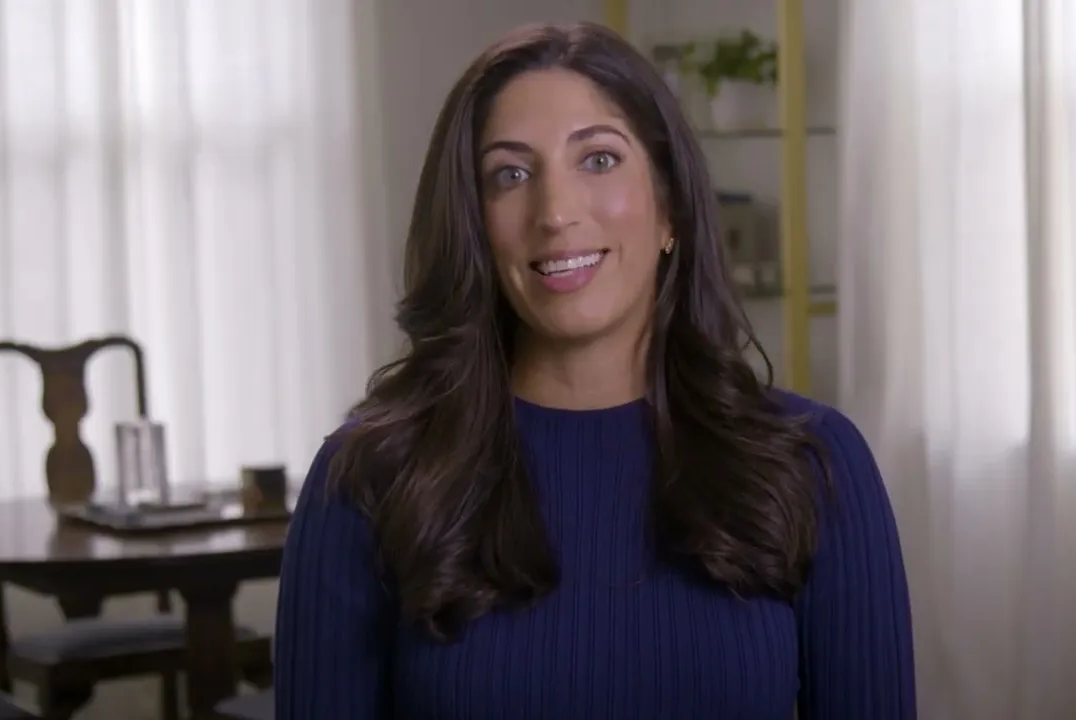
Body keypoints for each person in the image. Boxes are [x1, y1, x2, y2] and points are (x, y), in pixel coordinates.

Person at [273, 21, 915, 719]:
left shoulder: (815, 465)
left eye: (599, 159)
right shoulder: (368, 480)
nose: (555, 213)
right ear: (474, 226)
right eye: (510, 175)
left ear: (669, 207)